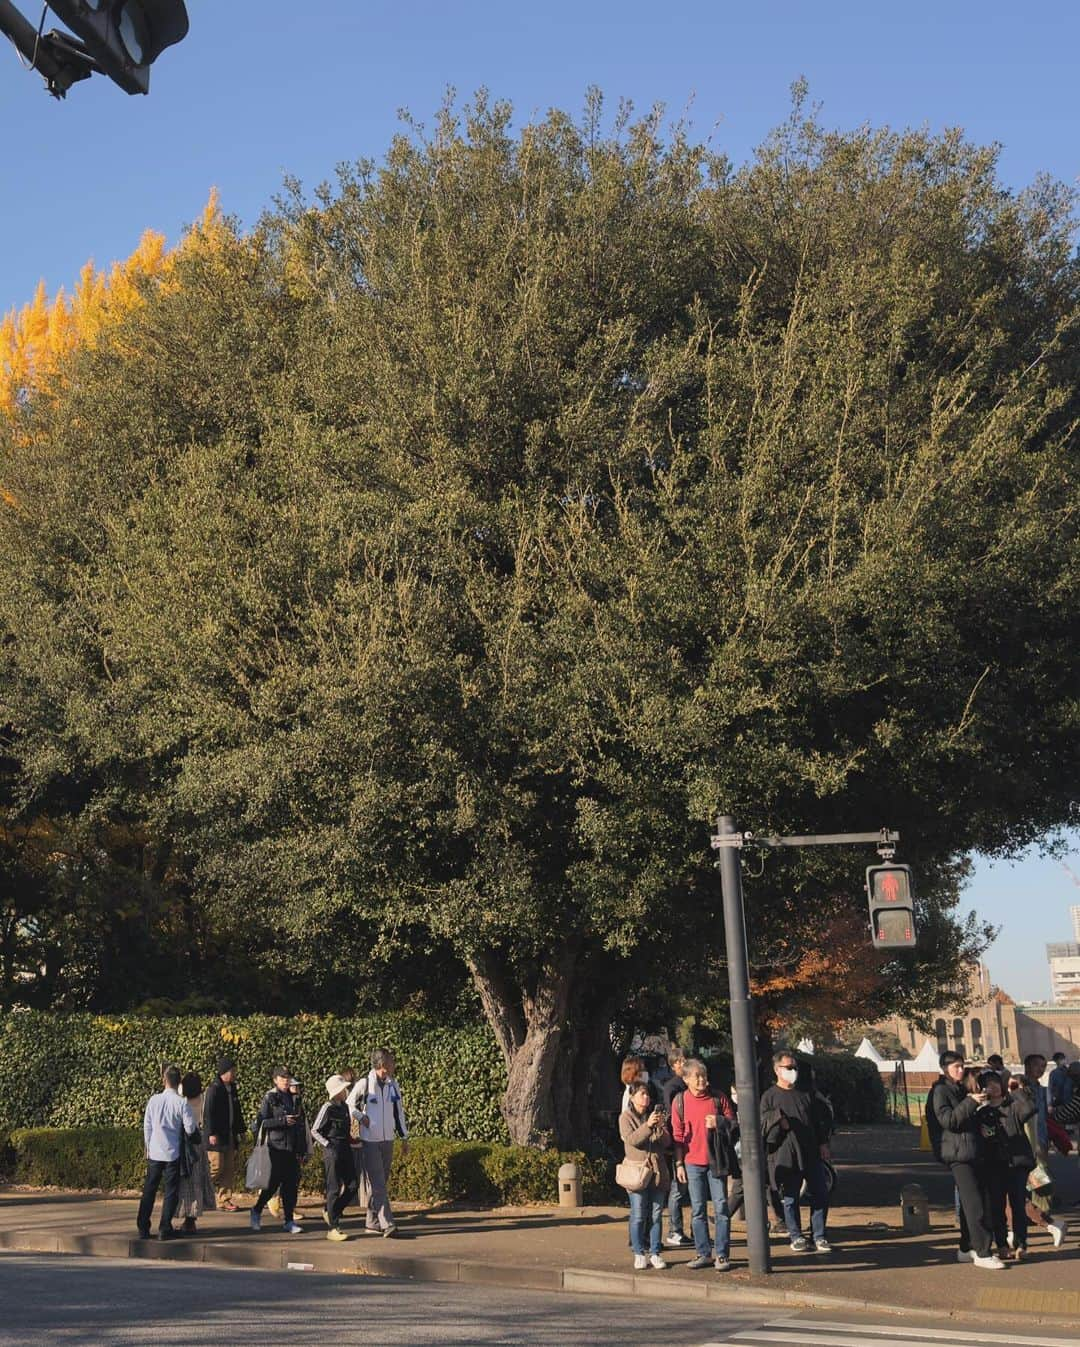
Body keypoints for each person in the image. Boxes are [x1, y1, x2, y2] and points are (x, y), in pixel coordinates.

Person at [928, 1051, 1004, 1268]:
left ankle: (966, 1247)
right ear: (944, 1069)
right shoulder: (940, 1091)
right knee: (974, 1204)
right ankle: (982, 1252)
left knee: (973, 1202)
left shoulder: (958, 1088)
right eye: (955, 1067)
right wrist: (971, 1102)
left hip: (972, 1151)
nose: (960, 1071)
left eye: (962, 1066)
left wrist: (978, 1105)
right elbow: (949, 1120)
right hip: (958, 1153)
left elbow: (964, 1117)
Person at [761, 1049, 834, 1256]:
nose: (793, 1071)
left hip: (810, 1150)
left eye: (795, 1067)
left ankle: (819, 1235)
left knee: (820, 1193)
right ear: (777, 1070)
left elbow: (817, 1121)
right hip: (785, 1154)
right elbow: (763, 1124)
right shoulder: (769, 1097)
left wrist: (823, 1144)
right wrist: (778, 1122)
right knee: (791, 1197)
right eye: (788, 1067)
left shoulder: (806, 1092)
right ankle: (796, 1235)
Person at [672, 1058, 737, 1271]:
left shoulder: (718, 1098)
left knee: (721, 1208)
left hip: (716, 1160)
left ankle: (722, 1255)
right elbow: (678, 1136)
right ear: (686, 1079)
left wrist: (719, 1122)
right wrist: (679, 1164)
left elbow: (735, 1125)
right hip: (692, 1162)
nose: (701, 1080)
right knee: (697, 1209)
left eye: (703, 1075)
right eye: (696, 1076)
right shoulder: (679, 1101)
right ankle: (703, 1253)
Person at [973, 1069, 1035, 1261]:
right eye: (989, 1083)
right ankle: (1001, 1244)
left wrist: (1016, 1090)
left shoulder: (1013, 1105)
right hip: (993, 1164)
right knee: (997, 1206)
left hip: (1017, 1164)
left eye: (996, 1082)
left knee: (1018, 1204)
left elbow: (1030, 1109)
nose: (994, 1086)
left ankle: (1021, 1243)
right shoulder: (981, 1112)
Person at [348, 1047, 409, 1237]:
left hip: (387, 1139)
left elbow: (398, 1112)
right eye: (391, 1062)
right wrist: (360, 1117)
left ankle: (372, 1222)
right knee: (378, 1183)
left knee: (380, 1182)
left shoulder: (393, 1084)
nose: (394, 1065)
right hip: (370, 1140)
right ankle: (387, 1223)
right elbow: (348, 1104)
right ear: (382, 1064)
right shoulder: (364, 1084)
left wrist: (404, 1137)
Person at [137, 1065, 198, 1241]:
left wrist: (148, 1146)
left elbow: (147, 1126)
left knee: (149, 1190)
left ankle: (143, 1227)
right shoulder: (181, 1103)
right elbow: (190, 1128)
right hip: (172, 1152)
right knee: (171, 1191)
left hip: (155, 1151)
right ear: (179, 1082)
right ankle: (165, 1227)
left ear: (164, 1080)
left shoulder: (153, 1100)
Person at [619, 1080, 671, 1270]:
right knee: (639, 1214)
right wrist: (648, 1126)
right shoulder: (625, 1118)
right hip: (638, 1172)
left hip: (657, 1171)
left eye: (647, 1094)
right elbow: (632, 1140)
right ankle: (639, 1252)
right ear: (632, 1097)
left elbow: (666, 1142)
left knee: (656, 1214)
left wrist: (661, 1127)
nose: (646, 1098)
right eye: (642, 1094)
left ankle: (655, 1252)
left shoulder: (654, 1116)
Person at [250, 1067, 308, 1234]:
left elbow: (301, 1125)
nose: (286, 1080)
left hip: (291, 1149)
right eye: (282, 1078)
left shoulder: (295, 1098)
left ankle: (288, 1220)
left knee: (290, 1185)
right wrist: (282, 1121)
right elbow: (262, 1123)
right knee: (272, 1184)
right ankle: (257, 1209)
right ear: (275, 1080)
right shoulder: (270, 1098)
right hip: (276, 1148)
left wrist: (302, 1149)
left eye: (287, 1077)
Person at [311, 1075, 360, 1241]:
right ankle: (333, 1227)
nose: (346, 1091)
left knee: (353, 1185)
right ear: (336, 1091)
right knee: (333, 1188)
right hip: (332, 1150)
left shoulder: (345, 1107)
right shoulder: (327, 1107)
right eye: (343, 1089)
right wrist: (327, 1145)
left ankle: (331, 1211)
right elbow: (315, 1130)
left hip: (345, 1148)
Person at [175, 1071, 217, 1233]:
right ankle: (191, 1219)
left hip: (185, 1142)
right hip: (198, 1142)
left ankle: (185, 1215)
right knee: (198, 1181)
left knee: (185, 1183)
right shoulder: (203, 1100)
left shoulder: (182, 1101)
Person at [203, 1057, 244, 1212]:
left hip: (229, 1135)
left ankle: (224, 1200)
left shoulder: (232, 1088)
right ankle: (198, 1191)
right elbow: (208, 1113)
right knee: (216, 1167)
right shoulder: (214, 1089)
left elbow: (237, 1111)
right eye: (232, 1071)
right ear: (224, 1072)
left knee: (228, 1168)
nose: (234, 1074)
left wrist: (241, 1130)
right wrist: (211, 1133)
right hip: (216, 1136)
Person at [661, 1045, 690, 1247]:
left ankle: (679, 1229)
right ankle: (674, 1229)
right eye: (681, 1061)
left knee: (684, 1187)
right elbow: (674, 1116)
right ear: (674, 1065)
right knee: (678, 1187)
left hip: (689, 1140)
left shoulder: (686, 1084)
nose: (684, 1063)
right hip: (678, 1141)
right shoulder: (673, 1087)